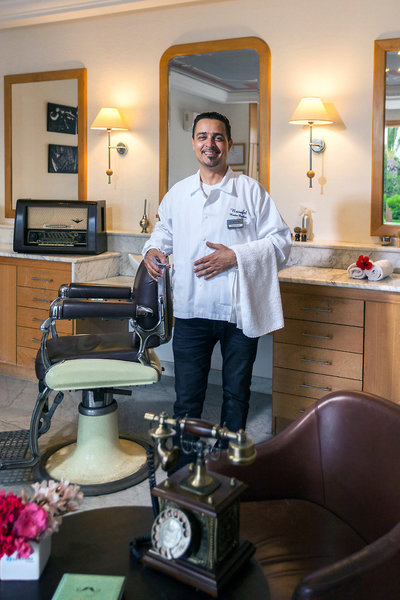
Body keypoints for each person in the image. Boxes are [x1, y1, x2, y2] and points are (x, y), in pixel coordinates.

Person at [143, 111, 291, 451]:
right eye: (203, 136)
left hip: (238, 312)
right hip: (191, 310)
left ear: (229, 144)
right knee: (187, 397)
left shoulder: (250, 191)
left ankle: (228, 462)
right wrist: (151, 250)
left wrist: (235, 256)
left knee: (236, 394)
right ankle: (184, 466)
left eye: (218, 137)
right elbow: (162, 233)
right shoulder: (178, 193)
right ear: (193, 143)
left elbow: (282, 243)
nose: (210, 144)